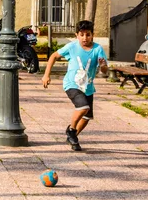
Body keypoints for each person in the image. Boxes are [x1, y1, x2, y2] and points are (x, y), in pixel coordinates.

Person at [42, 19, 108, 152]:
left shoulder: (97, 49)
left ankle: (72, 138)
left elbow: (104, 71)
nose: (85, 38)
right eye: (82, 35)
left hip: (87, 87)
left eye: (88, 34)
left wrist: (103, 66)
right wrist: (46, 75)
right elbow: (54, 56)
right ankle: (71, 130)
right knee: (83, 107)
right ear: (76, 35)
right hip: (72, 84)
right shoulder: (72, 47)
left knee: (87, 117)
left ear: (92, 35)